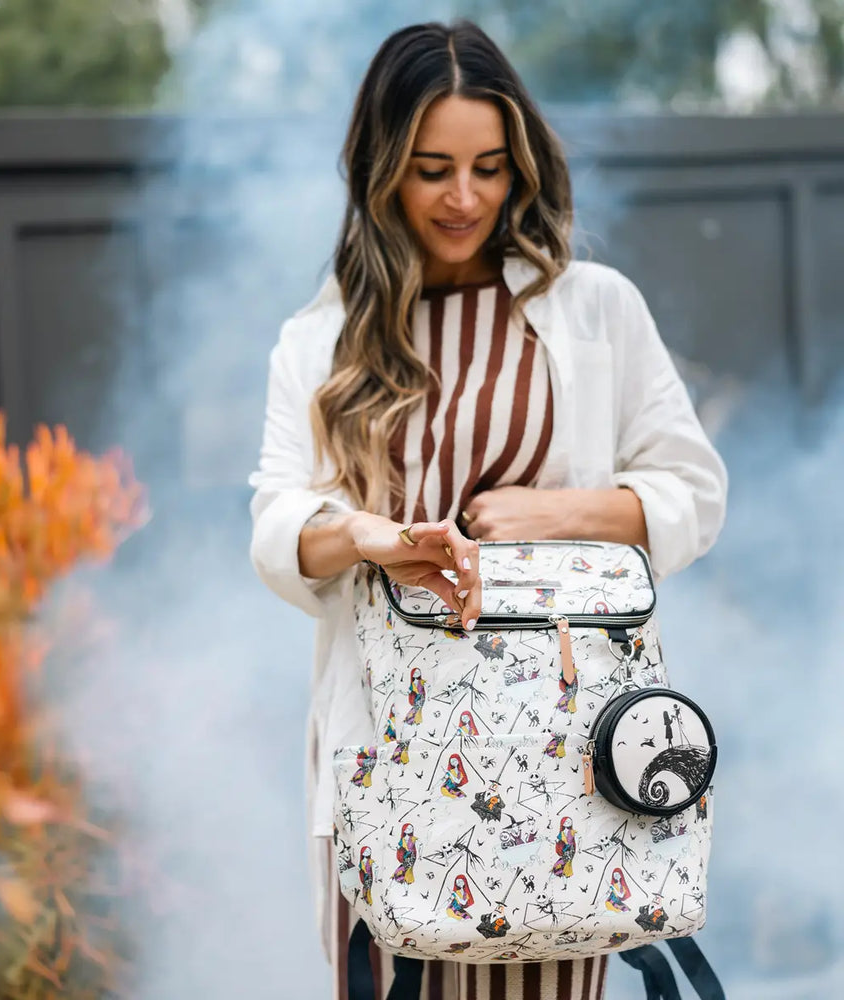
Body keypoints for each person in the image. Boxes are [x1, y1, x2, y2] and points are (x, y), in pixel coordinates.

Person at [248, 19, 726, 1000]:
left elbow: (693, 490)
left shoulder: (595, 308)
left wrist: (556, 515)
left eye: (489, 166)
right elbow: (273, 520)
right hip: (386, 748)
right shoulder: (322, 337)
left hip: (558, 745)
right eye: (430, 169)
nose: (464, 198)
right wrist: (368, 536)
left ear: (522, 167)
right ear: (382, 170)